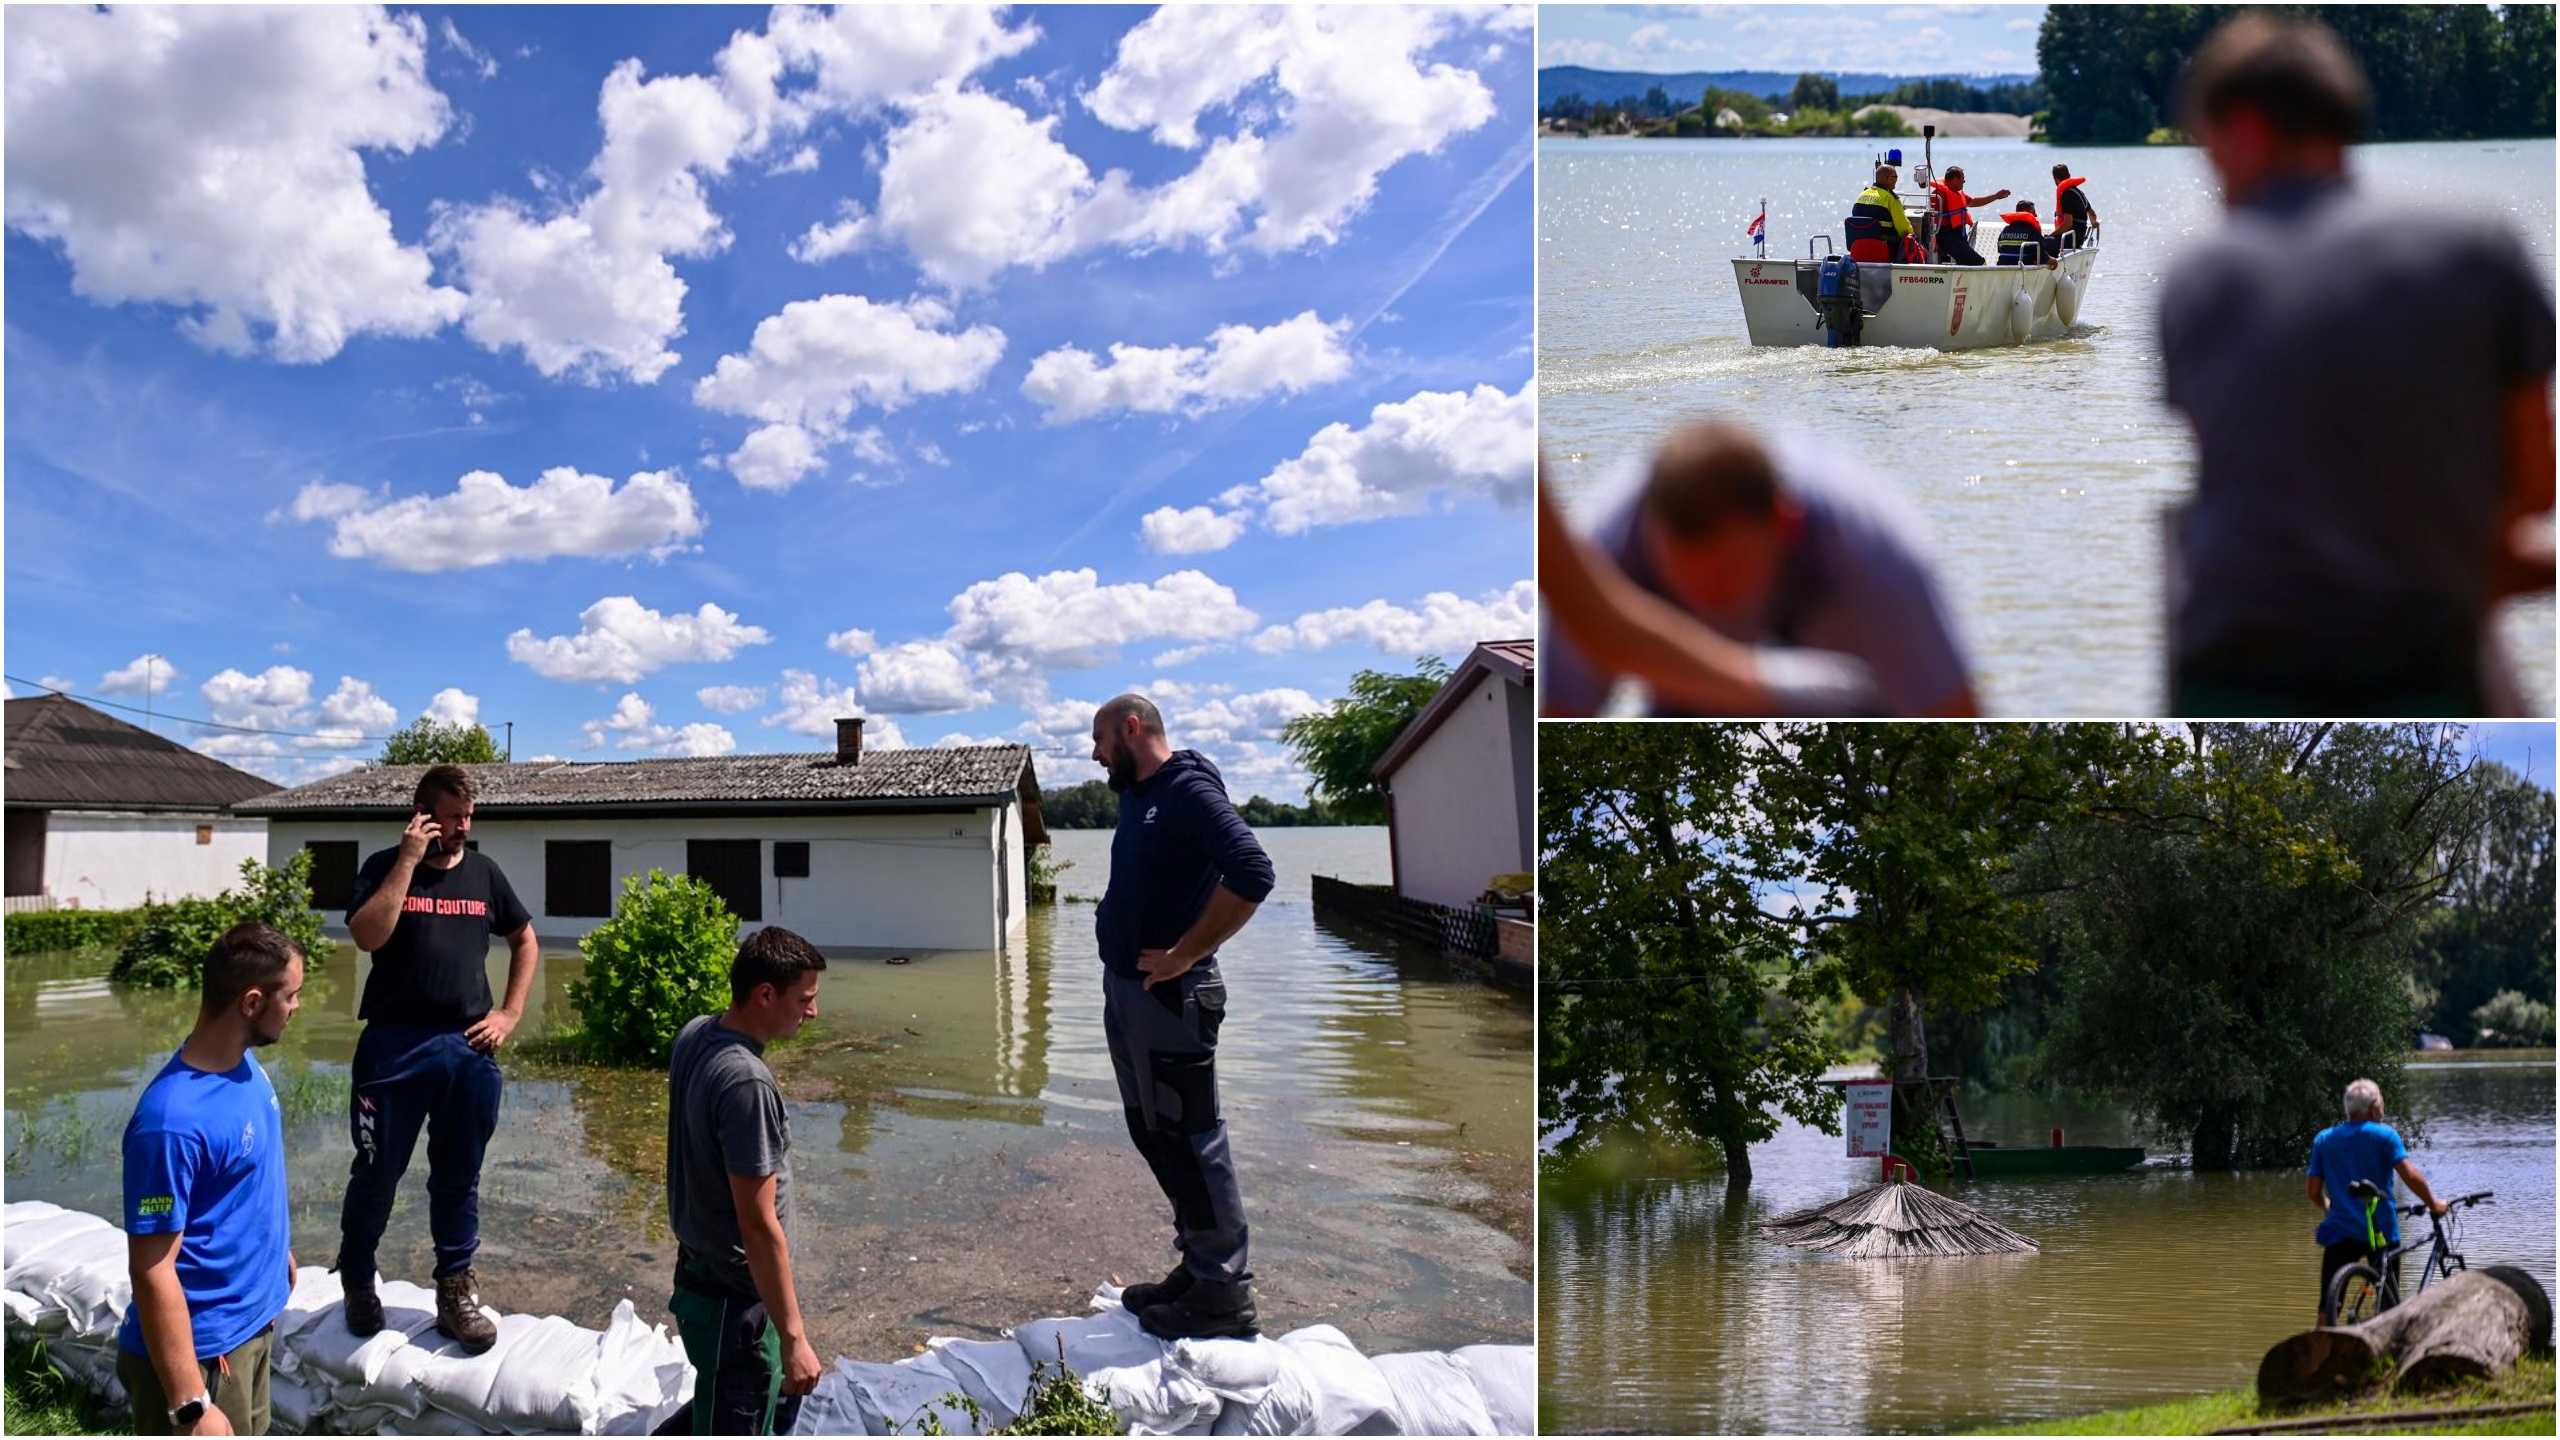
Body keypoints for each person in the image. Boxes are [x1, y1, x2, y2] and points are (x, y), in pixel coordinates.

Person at [2161, 13, 2554, 715]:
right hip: (2421, 661)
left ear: (2246, 131)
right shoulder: (2480, 248)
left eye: (2209, 151)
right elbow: (2536, 489)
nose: (2213, 177)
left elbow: (2247, 479)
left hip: (2231, 670)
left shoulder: (2196, 278)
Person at [1541, 423, 1978, 718]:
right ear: (1650, 535)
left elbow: (1955, 714)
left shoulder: (1874, 556)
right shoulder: (1602, 554)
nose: (1710, 609)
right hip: (1683, 703)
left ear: (1783, 524)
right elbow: (1559, 718)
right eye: (1684, 583)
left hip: (1856, 697)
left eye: (1729, 579)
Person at [1090, 694, 1275, 1340]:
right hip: (1133, 997)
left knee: (1193, 1138)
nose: (1094, 753)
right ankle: (1200, 1266)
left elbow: (1253, 870)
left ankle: (1224, 1292)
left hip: (1174, 998)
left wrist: (1185, 952)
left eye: (1100, 739)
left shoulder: (1187, 790)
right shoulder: (1139, 797)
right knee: (1154, 1132)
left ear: (1131, 729)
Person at [336, 764, 539, 1351]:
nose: (462, 828)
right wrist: (406, 860)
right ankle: (357, 1279)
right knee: (377, 1172)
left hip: (467, 1046)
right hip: (394, 1045)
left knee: (459, 1176)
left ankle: (454, 1291)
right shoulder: (381, 866)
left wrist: (509, 1013)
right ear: (423, 815)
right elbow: (367, 936)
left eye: (468, 817)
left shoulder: (485, 873)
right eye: (451, 818)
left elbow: (523, 937)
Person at [118, 923, 307, 1436]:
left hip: (251, 1320)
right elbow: (153, 1268)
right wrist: (189, 1403)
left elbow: (241, 1183)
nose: (296, 1007)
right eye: (290, 996)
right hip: (203, 1351)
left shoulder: (245, 1066)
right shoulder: (171, 1122)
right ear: (251, 1002)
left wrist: (273, 1252)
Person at [663, 927, 830, 1435]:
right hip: (737, 1308)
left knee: (720, 1402)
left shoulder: (696, 1032)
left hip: (699, 1279)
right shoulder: (746, 1081)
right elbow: (757, 1226)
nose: (812, 1012)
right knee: (737, 1415)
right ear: (764, 995)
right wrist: (794, 1337)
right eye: (804, 999)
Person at [1538, 471, 1879, 714]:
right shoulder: (1609, 542)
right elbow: (1565, 703)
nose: (1717, 602)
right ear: (1653, 541)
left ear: (1783, 523)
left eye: (1733, 571)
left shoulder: (1865, 543)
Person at [2308, 1079, 2446, 1327]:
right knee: (2387, 1306)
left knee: (2328, 1306)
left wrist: (2327, 1207)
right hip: (2380, 1231)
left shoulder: (2324, 1140)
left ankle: (2320, 1352)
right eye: (2381, 1099)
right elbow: (2411, 1177)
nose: (2383, 1105)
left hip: (2340, 1231)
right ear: (2373, 1107)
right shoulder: (2384, 1136)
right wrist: (2434, 1203)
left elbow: (2313, 1191)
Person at [1927, 165, 2010, 266]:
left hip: (1959, 235)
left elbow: (1973, 202)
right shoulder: (1938, 195)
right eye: (1963, 178)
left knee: (1966, 262)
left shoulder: (1957, 193)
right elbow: (1931, 219)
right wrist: (1934, 240)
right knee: (1978, 262)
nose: (1964, 181)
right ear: (1955, 179)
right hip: (1946, 236)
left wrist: (1996, 196)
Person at [1842, 163, 1916, 263]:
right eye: (1896, 177)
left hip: (1858, 251)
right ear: (1889, 178)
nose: (1897, 180)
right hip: (1883, 250)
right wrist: (1914, 235)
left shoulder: (1861, 196)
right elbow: (1904, 229)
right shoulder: (1890, 199)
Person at [2050, 162, 2097, 251]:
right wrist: (2094, 223)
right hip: (2079, 238)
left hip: (2070, 239)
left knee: (2044, 242)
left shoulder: (2066, 195)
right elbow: (2092, 214)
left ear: (2055, 179)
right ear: (2069, 176)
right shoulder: (2079, 193)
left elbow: (2068, 223)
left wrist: (2051, 235)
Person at [1993, 201, 2046, 266]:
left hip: (2002, 268)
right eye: (2033, 212)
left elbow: (2000, 250)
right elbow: (2041, 256)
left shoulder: (2005, 230)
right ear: (2025, 212)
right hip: (2024, 269)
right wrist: (2053, 261)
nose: (2036, 215)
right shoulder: (2032, 231)